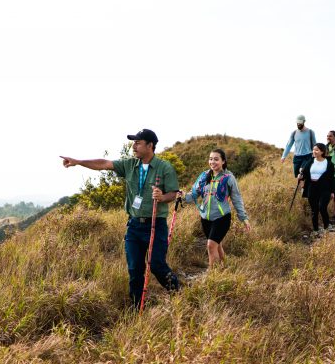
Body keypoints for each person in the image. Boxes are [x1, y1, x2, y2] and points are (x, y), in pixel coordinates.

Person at [60, 128, 181, 309]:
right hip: (133, 226)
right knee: (134, 269)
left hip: (156, 224)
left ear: (150, 146)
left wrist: (163, 197)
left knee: (156, 264)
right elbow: (103, 164)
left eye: (138, 143)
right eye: (134, 142)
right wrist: (78, 162)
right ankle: (136, 308)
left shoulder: (165, 168)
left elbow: (173, 192)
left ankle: (177, 293)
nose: (134, 146)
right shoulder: (130, 165)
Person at [182, 148, 251, 268]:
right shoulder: (204, 176)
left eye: (216, 159)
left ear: (223, 161)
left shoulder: (229, 178)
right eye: (210, 159)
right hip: (205, 218)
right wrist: (182, 197)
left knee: (211, 245)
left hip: (222, 217)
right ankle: (225, 268)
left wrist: (244, 218)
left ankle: (212, 275)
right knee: (217, 244)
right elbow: (193, 194)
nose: (212, 162)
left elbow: (237, 199)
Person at [301, 142, 335, 235]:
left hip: (325, 188)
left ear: (322, 152)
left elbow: (332, 179)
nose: (314, 151)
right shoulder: (310, 161)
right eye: (313, 149)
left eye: (317, 150)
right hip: (312, 188)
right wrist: (301, 176)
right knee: (314, 210)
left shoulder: (329, 163)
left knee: (322, 207)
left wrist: (332, 192)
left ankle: (326, 228)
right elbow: (304, 173)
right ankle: (315, 230)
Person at [280, 115, 317, 180]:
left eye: (300, 122)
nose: (299, 124)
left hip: (307, 156)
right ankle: (302, 188)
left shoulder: (310, 132)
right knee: (298, 177)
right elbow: (289, 145)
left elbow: (315, 145)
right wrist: (283, 156)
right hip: (297, 157)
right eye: (297, 123)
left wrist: (316, 156)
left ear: (304, 121)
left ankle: (304, 189)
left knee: (302, 172)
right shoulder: (294, 133)